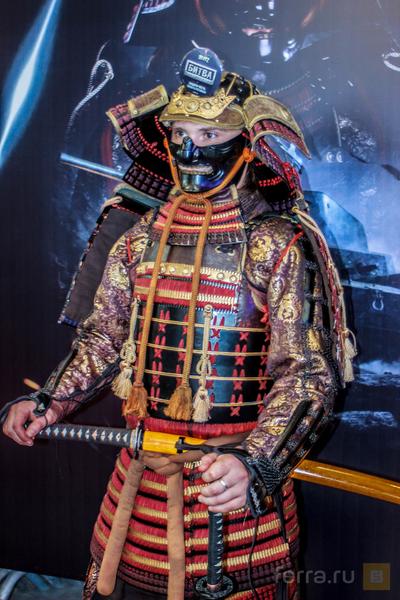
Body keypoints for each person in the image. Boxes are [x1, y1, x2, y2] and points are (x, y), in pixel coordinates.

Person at [2, 48, 355, 599]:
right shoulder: (139, 238)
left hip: (231, 495)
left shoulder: (278, 244)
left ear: (248, 143)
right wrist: (51, 401)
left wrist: (256, 463)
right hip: (138, 485)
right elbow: (104, 339)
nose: (191, 149)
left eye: (211, 135)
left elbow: (308, 374)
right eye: (181, 133)